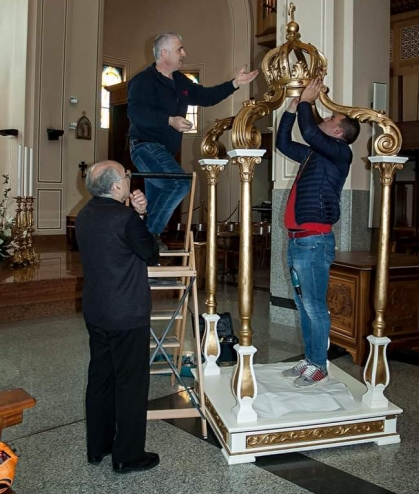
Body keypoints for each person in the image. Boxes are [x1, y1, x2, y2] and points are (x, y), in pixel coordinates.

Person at [128, 32, 258, 246]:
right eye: (180, 49)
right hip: (145, 147)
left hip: (163, 152)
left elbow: (206, 97)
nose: (184, 54)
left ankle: (144, 255)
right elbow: (136, 114)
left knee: (156, 201)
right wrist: (170, 120)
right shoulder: (143, 81)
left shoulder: (180, 80)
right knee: (180, 183)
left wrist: (235, 83)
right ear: (164, 53)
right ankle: (148, 236)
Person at [75, 160, 160, 474]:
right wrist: (140, 215)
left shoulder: (85, 214)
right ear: (115, 186)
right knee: (131, 383)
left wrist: (134, 214)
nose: (129, 178)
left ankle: (98, 447)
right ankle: (128, 455)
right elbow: (150, 252)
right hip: (126, 313)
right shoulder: (124, 218)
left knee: (101, 378)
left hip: (97, 310)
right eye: (126, 175)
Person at [276, 79, 360, 387]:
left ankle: (319, 364)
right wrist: (292, 108)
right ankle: (311, 360)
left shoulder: (340, 153)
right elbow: (283, 143)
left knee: (314, 306)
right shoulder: (315, 155)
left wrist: (308, 102)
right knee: (304, 305)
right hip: (299, 242)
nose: (325, 120)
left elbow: (310, 131)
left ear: (339, 132)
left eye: (331, 119)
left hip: (313, 242)